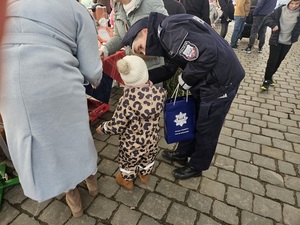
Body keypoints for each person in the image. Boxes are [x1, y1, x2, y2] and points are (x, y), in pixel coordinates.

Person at [0, 0, 102, 218]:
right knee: (76, 137)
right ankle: (90, 178)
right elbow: (92, 70)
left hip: (7, 84)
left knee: (45, 144)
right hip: (55, 80)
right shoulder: (75, 9)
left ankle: (71, 194)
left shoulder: (9, 6)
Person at [123, 12, 245, 180]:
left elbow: (208, 53)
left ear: (145, 31)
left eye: (140, 47)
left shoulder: (169, 31)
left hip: (221, 82)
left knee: (206, 127)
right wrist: (143, 80)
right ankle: (183, 153)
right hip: (207, 79)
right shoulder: (164, 35)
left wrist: (187, 78)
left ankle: (197, 166)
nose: (145, 51)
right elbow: (170, 67)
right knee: (192, 117)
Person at [96, 55, 167, 189]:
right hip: (151, 139)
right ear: (146, 73)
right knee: (148, 157)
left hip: (131, 144)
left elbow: (117, 125)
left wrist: (103, 128)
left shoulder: (127, 101)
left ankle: (127, 181)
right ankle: (144, 175)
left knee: (128, 162)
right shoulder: (160, 94)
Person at [99, 0, 179, 84]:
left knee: (149, 97)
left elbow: (168, 30)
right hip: (131, 71)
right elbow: (119, 37)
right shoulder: (117, 7)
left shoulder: (150, 2)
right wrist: (105, 49)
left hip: (151, 71)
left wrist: (148, 49)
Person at [260, 0, 300, 91]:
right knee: (272, 61)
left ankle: (270, 77)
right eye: (292, 3)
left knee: (278, 61)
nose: (293, 6)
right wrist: (273, 25)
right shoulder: (280, 9)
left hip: (288, 42)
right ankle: (266, 80)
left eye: (297, 4)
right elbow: (267, 18)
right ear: (289, 2)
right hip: (276, 41)